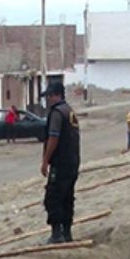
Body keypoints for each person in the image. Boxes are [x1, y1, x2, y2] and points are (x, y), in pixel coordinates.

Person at [40, 80, 80, 243]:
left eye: (49, 96)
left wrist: (45, 161)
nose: (47, 100)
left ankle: (57, 234)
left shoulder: (57, 113)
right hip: (73, 162)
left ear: (56, 95)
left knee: (53, 197)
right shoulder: (70, 111)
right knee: (67, 197)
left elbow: (53, 137)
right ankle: (67, 232)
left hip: (60, 163)